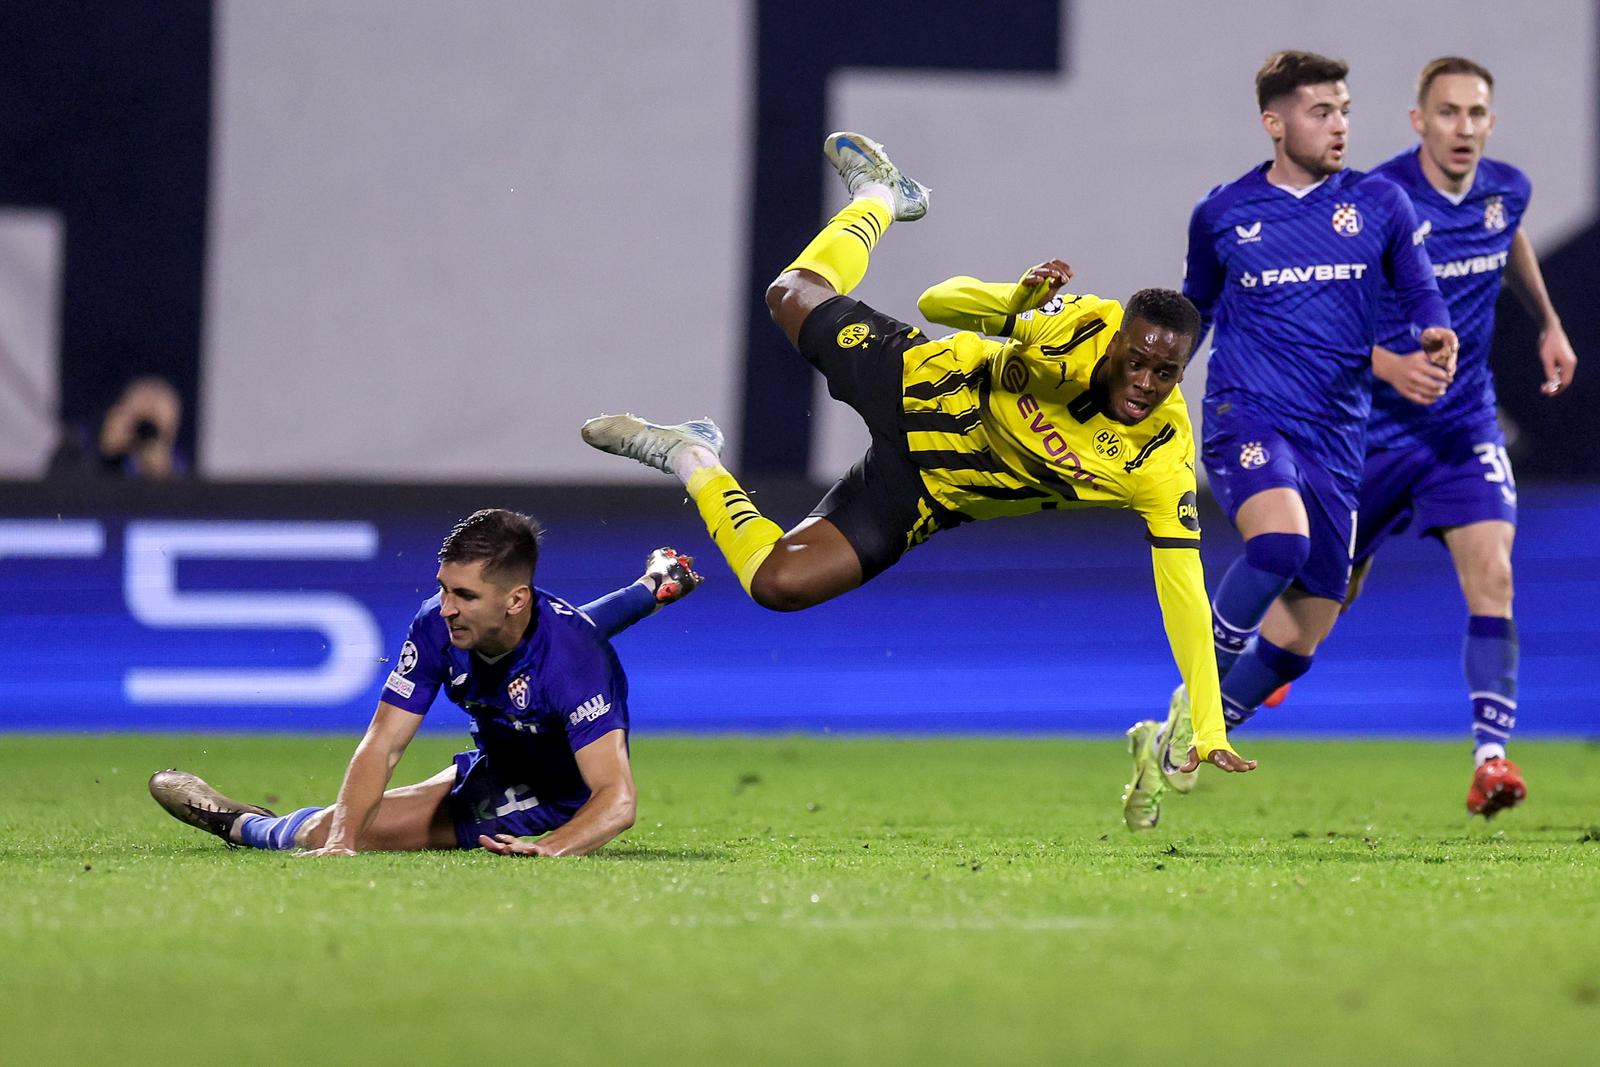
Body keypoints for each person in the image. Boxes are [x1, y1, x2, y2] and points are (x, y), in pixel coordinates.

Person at [581, 132, 1256, 791]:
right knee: (788, 293)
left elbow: (1185, 591)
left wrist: (1209, 723)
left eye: (1164, 372)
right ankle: (880, 195)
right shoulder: (1076, 323)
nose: (1143, 381)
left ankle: (689, 451)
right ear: (1115, 344)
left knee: (778, 582)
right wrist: (1013, 306)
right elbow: (938, 301)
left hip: (925, 489)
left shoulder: (1162, 458)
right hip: (915, 380)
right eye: (1135, 361)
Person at [1121, 51, 1457, 829]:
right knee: (1276, 545)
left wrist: (1435, 329)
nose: (1338, 124)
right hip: (1249, 416)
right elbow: (1192, 314)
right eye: (1319, 111)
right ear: (1274, 123)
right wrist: (1145, 399)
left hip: (1338, 438)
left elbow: (1419, 287)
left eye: (1343, 109)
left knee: (1305, 633)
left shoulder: (1380, 204)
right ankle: (1194, 690)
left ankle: (1174, 740)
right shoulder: (1224, 213)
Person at [149, 510, 701, 857]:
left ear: (513, 597)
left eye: (465, 596)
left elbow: (617, 800)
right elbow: (383, 744)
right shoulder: (440, 625)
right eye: (444, 589)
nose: (447, 608)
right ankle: (654, 585)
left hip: (549, 799)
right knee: (340, 830)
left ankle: (245, 827)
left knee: (325, 831)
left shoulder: (577, 661)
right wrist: (342, 842)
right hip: (496, 762)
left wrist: (552, 847)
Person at [1339, 57, 1578, 817]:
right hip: (1374, 427)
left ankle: (1491, 759)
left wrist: (1548, 320)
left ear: (1490, 122)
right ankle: (1263, 662)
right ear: (1419, 120)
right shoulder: (1379, 200)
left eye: (1476, 113)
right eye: (1448, 112)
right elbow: (1330, 310)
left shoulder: (1505, 188)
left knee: (1495, 577)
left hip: (1463, 423)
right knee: (1327, 588)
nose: (1464, 127)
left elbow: (1508, 238)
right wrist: (1389, 364)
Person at [47, 376, 189, 479]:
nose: (144, 431)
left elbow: (187, 510)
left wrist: (162, 476)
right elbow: (59, 497)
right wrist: (105, 455)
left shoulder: (181, 469)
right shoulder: (75, 447)